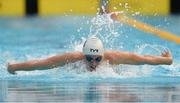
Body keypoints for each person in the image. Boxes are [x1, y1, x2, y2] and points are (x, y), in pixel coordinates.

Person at [8, 37, 172, 74]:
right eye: (89, 58)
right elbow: (41, 63)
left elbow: (144, 59)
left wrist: (166, 60)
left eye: (97, 59)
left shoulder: (114, 57)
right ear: (83, 55)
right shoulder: (73, 58)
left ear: (102, 56)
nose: (93, 63)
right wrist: (14, 66)